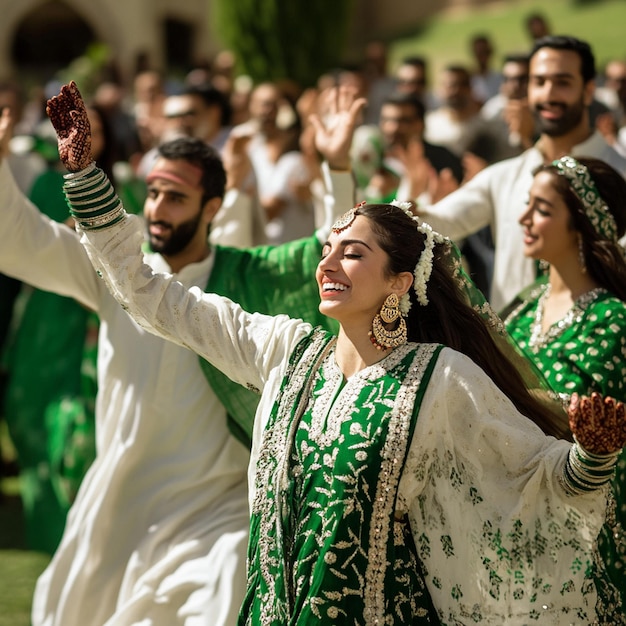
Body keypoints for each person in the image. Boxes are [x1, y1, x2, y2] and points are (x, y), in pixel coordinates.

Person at [49, 80, 626, 625]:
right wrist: (84, 178)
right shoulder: (283, 352)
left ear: (399, 282)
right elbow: (156, 297)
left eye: (351, 254)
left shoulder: (439, 379)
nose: (326, 265)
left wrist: (592, 456)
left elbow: (529, 475)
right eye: (327, 250)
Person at [0, 82, 363, 626]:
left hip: (215, 505)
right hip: (124, 498)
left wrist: (336, 166)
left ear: (213, 206)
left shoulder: (245, 276)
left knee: (221, 600)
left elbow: (329, 256)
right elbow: (19, 239)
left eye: (175, 197)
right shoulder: (114, 269)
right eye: (151, 194)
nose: (157, 209)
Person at [417, 35, 626, 312]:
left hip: (599, 345)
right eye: (539, 82)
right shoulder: (504, 176)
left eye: (562, 82)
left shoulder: (620, 174)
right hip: (511, 348)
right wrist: (342, 169)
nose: (548, 94)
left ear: (589, 91)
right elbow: (439, 223)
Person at [504, 156, 626, 622]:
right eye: (527, 205)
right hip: (514, 520)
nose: (524, 218)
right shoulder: (522, 307)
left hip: (587, 533)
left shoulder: (614, 320)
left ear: (581, 225)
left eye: (542, 208)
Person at [3, 104, 115, 554]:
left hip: (90, 318)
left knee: (76, 431)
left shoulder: (122, 185)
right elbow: (22, 237)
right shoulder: (45, 183)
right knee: (28, 415)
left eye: (97, 128)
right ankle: (51, 534)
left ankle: (83, 535)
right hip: (44, 316)